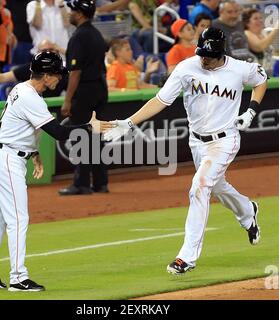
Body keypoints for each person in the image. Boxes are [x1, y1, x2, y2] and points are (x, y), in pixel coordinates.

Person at [104, 27, 267, 274]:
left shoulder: (238, 68)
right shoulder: (186, 68)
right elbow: (160, 100)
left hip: (225, 140)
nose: (204, 59)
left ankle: (186, 257)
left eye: (209, 55)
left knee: (200, 186)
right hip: (197, 143)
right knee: (217, 186)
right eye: (201, 53)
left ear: (221, 53)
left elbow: (261, 79)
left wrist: (251, 111)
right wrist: (128, 123)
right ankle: (247, 211)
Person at [0, 51, 112, 291]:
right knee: (18, 218)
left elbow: (15, 125)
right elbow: (58, 133)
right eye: (57, 74)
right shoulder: (31, 97)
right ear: (46, 75)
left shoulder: (22, 89)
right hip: (7, 161)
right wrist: (90, 128)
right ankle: (18, 277)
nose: (60, 78)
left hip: (3, 156)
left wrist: (34, 153)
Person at [59, 0, 110, 196]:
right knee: (96, 137)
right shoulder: (96, 34)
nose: (69, 14)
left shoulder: (79, 37)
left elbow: (75, 72)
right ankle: (100, 183)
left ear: (80, 14)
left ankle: (81, 184)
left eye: (72, 11)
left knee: (80, 135)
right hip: (100, 89)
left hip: (85, 91)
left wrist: (68, 99)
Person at [0, 40, 68, 98]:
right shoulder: (30, 68)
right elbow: (4, 77)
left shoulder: (63, 71)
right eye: (44, 51)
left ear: (57, 51)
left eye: (51, 50)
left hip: (54, 108)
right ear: (38, 53)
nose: (48, 53)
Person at [242, 8, 279, 77]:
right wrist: (276, 29)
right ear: (247, 22)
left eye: (260, 18)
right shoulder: (247, 33)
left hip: (269, 73)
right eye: (256, 18)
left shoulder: (263, 33)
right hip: (255, 76)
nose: (260, 20)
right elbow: (260, 47)